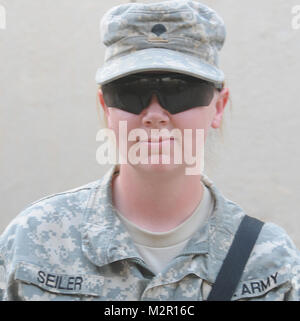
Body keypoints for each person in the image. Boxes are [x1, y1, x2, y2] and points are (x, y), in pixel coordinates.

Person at [0, 0, 300, 301]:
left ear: (218, 107)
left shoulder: (269, 263)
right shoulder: (30, 243)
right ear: (106, 107)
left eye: (180, 90)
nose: (154, 114)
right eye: (131, 91)